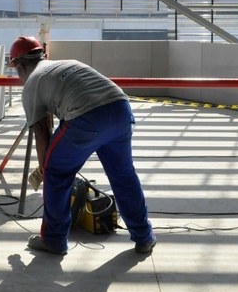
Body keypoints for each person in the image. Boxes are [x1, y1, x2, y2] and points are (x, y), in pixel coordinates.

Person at [9, 35, 156, 255]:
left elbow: (42, 131)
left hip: (87, 117)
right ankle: (144, 237)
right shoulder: (68, 63)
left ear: (18, 65)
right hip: (120, 110)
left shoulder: (31, 84)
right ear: (43, 55)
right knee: (123, 176)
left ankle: (54, 240)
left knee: (57, 174)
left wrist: (44, 169)